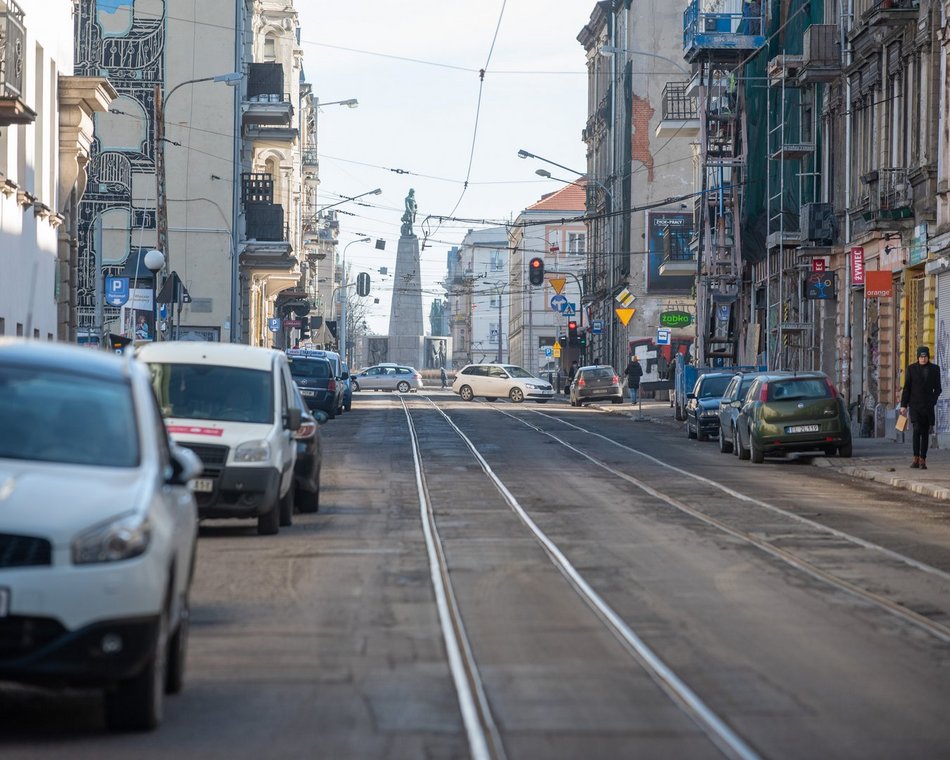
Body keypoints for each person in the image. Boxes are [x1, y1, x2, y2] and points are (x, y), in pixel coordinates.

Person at [900, 345, 942, 469]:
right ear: (918, 357)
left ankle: (923, 459)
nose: (923, 359)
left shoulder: (935, 369)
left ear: (928, 357)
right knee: (916, 430)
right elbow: (907, 388)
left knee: (925, 433)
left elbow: (938, 388)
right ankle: (915, 458)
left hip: (928, 407)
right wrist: (903, 405)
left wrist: (933, 400)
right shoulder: (911, 369)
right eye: (921, 356)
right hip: (915, 406)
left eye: (925, 356)